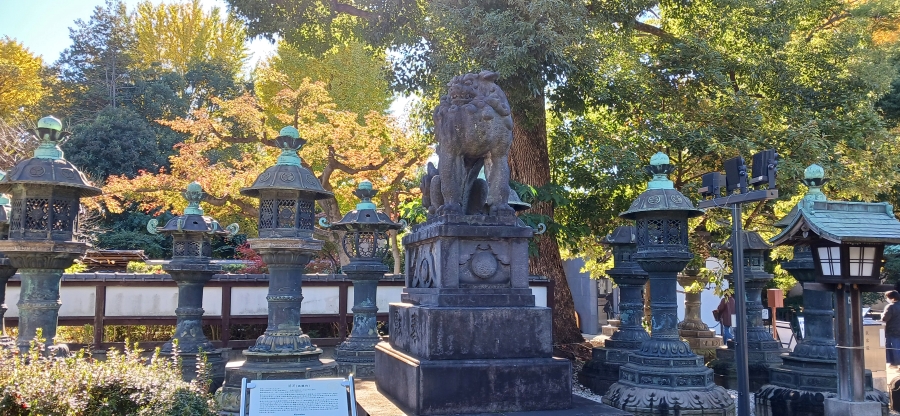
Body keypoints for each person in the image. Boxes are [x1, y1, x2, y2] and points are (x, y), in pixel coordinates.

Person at [882, 291, 900, 367]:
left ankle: (895, 363)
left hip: (892, 330)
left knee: (893, 347)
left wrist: (882, 315)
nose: (887, 299)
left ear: (892, 298)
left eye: (887, 297)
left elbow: (885, 318)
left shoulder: (890, 307)